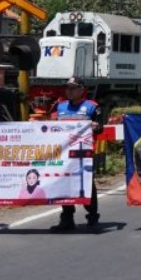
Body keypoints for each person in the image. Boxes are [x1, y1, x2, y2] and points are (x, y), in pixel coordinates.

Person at [50, 77, 103, 233]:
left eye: (73, 88)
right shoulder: (59, 107)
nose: (69, 91)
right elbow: (49, 127)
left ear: (82, 89)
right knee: (63, 184)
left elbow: (100, 127)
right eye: (67, 88)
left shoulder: (92, 107)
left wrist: (94, 125)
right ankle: (67, 219)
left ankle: (92, 218)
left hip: (83, 153)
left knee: (86, 184)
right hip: (63, 154)